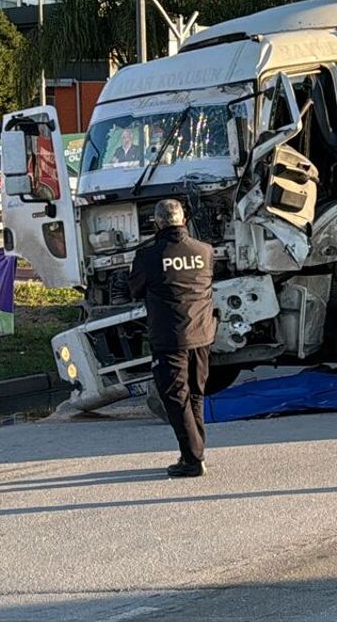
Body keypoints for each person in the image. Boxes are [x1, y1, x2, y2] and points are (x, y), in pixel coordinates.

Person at [129, 199, 216, 478]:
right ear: (184, 221)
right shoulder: (204, 251)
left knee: (176, 397)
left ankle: (192, 459)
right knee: (195, 394)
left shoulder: (148, 256)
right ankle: (195, 453)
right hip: (202, 334)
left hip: (170, 337)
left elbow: (135, 289)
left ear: (157, 223)